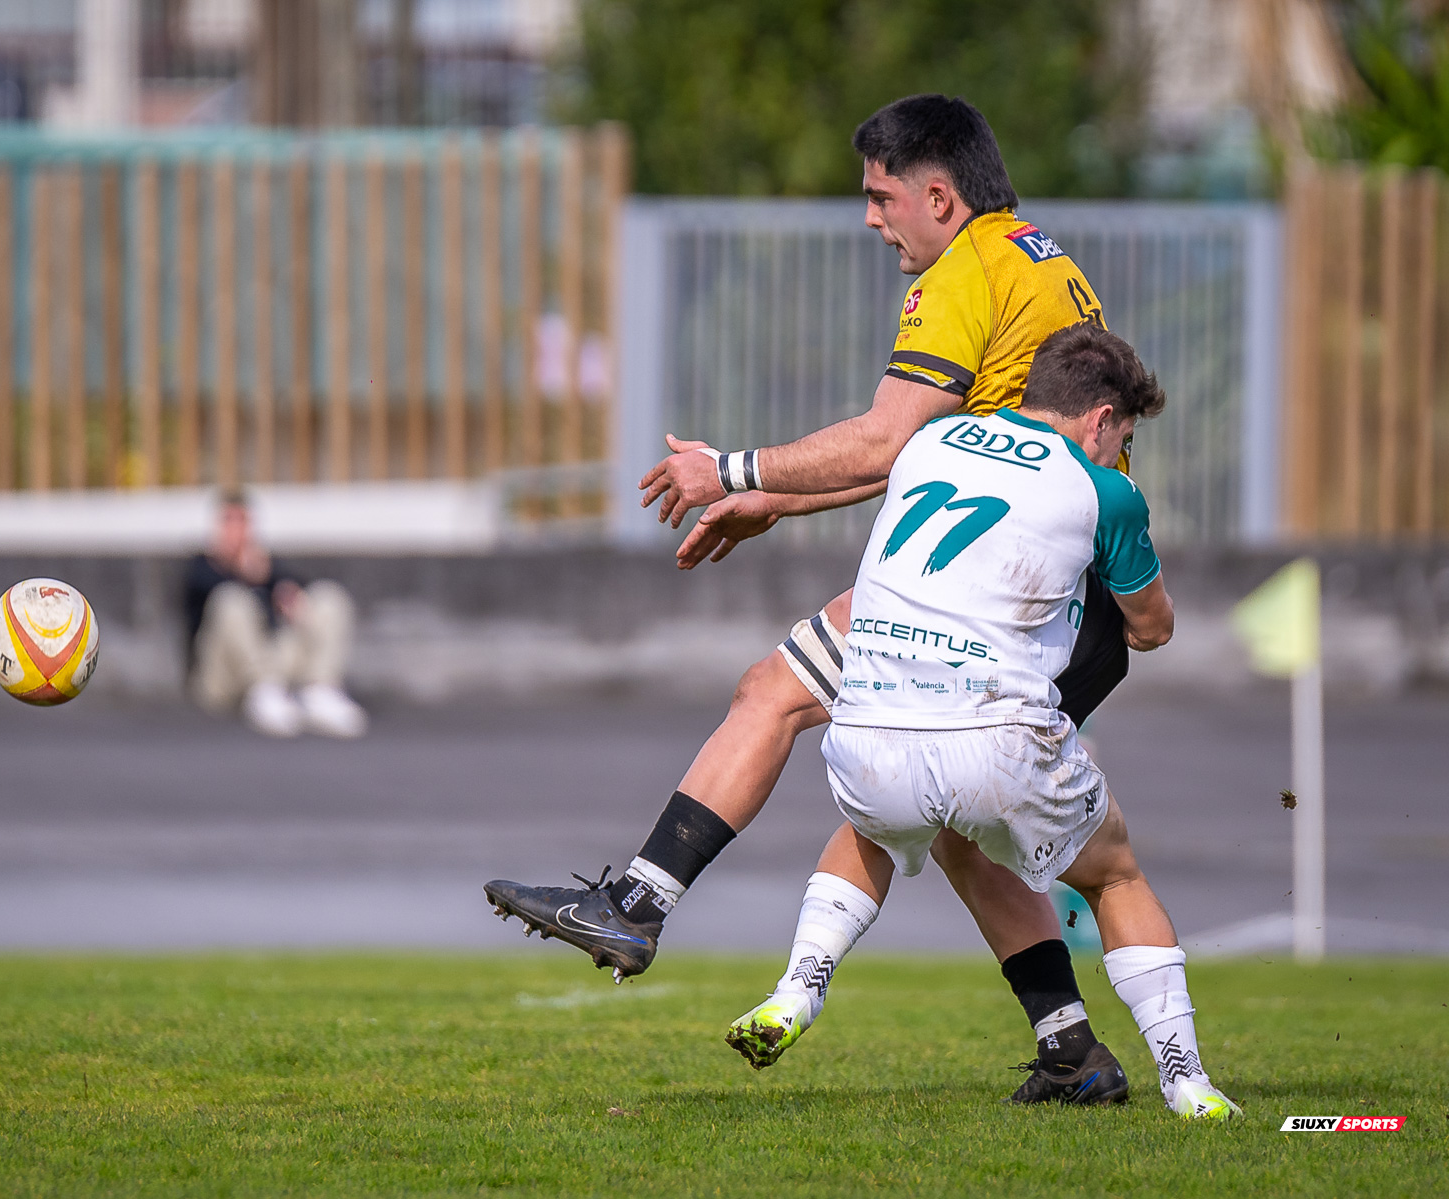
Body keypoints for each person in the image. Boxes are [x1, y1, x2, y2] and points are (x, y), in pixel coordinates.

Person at [485, 94, 1136, 1104]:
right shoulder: (1033, 256)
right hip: (1055, 591)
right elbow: (931, 453)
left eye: (881, 199)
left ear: (939, 194)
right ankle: (1070, 1048)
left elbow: (886, 442)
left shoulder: (962, 274)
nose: (872, 221)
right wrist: (767, 501)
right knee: (960, 817)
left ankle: (636, 904)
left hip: (1008, 590)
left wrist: (729, 468)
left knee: (774, 693)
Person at [723, 323, 1240, 1120]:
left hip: (865, 724)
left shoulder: (933, 440)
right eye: (1123, 436)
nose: (1118, 452)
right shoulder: (1104, 491)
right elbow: (1151, 627)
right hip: (995, 738)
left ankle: (797, 989)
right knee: (1114, 874)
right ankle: (1187, 1080)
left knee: (876, 830)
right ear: (1101, 419)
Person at [185, 491, 367, 739]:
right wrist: (240, 573)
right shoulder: (202, 567)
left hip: (271, 662)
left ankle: (320, 689)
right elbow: (205, 597)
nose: (236, 529)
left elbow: (296, 587)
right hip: (223, 674)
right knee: (229, 600)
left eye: (243, 521)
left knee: (327, 597)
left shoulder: (265, 564)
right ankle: (264, 692)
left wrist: (282, 589)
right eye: (229, 521)